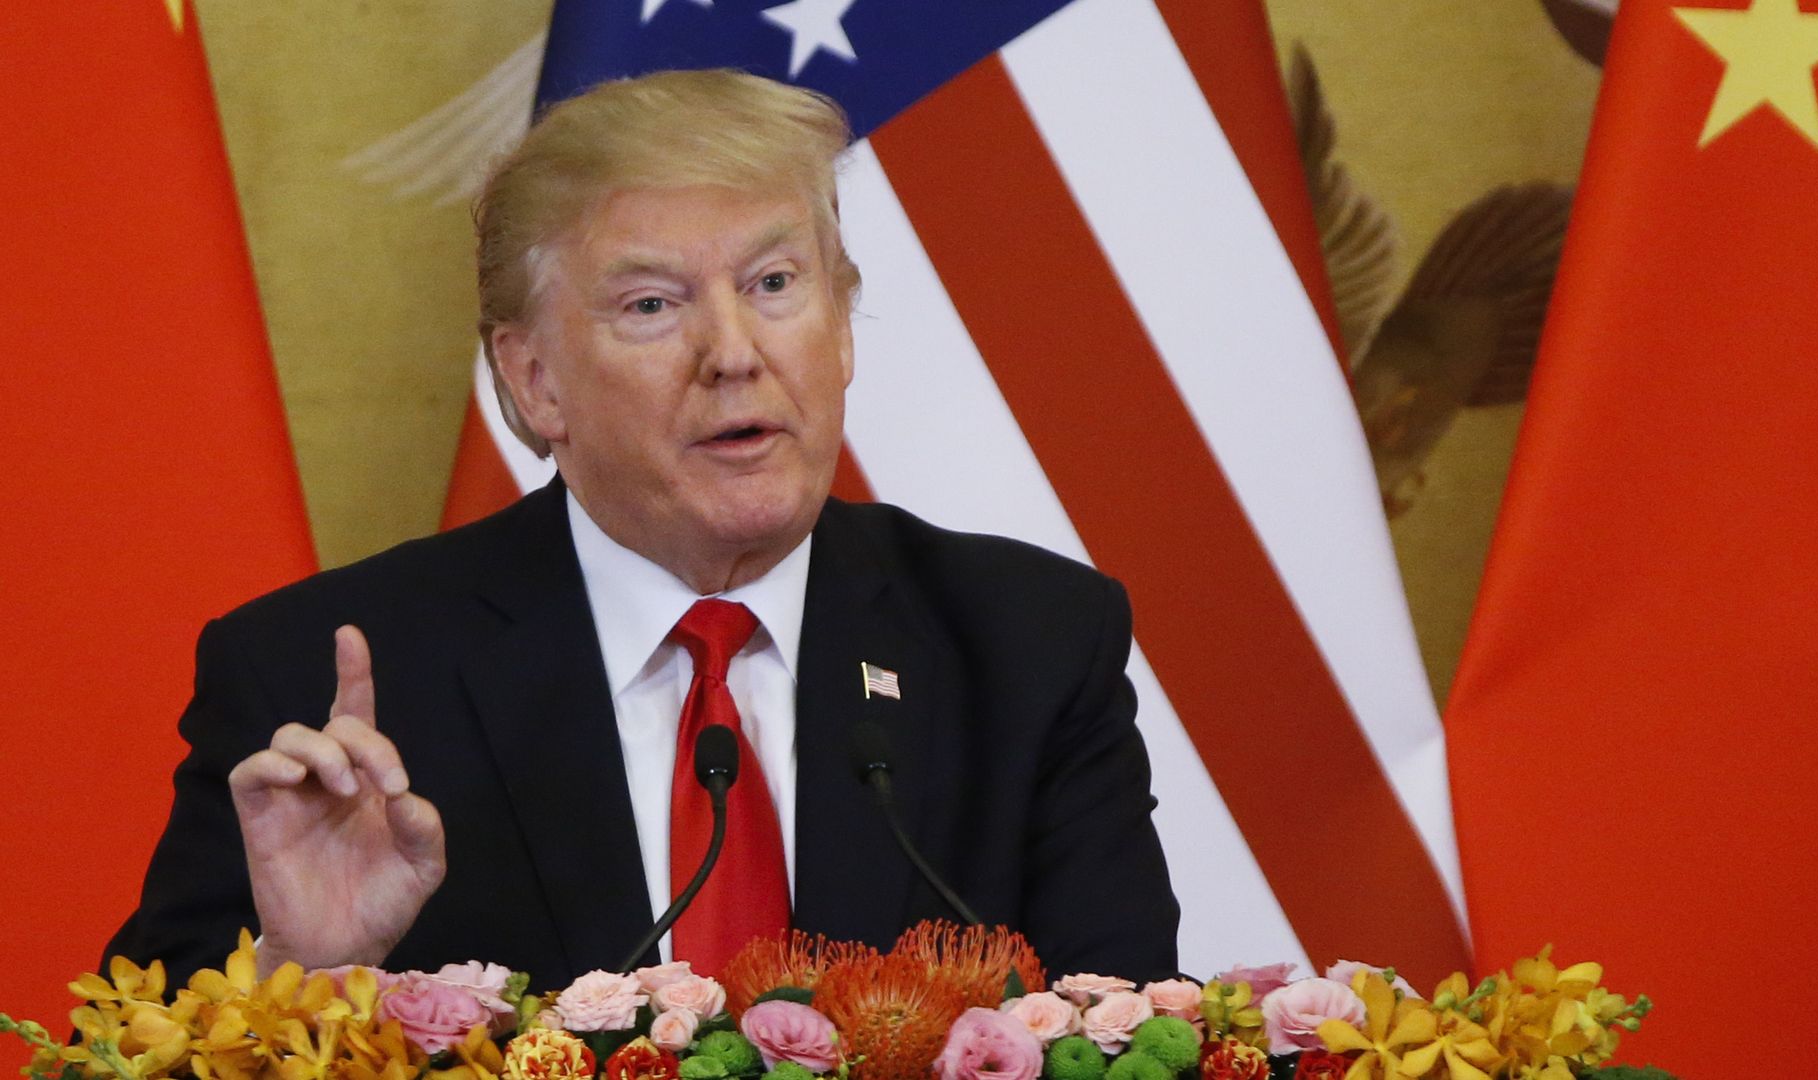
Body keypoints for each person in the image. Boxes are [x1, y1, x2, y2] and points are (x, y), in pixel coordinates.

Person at [105, 69, 1178, 990]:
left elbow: (1134, 1027)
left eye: (773, 283)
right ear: (534, 383)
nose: (733, 351)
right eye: (653, 306)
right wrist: (306, 978)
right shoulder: (327, 683)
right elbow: (123, 1046)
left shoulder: (1027, 646)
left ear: (842, 326)